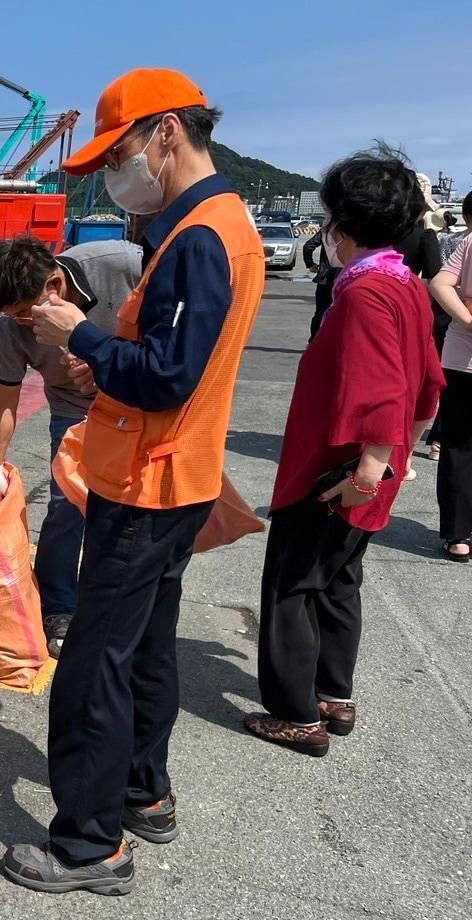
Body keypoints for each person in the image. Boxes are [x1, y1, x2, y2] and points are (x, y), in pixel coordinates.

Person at [0, 69, 264, 896]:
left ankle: (88, 843)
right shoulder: (212, 227)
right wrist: (105, 355)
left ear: (167, 135)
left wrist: (86, 336)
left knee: (94, 662)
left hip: (147, 481)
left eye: (119, 156)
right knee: (148, 643)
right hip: (177, 473)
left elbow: (166, 376)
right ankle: (146, 790)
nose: (117, 177)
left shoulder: (198, 240)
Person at [248, 148, 444, 755]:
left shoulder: (362, 295)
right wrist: (397, 455)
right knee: (338, 579)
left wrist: (369, 466)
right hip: (370, 466)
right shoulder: (405, 282)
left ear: (342, 226)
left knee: (292, 584)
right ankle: (333, 693)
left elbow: (382, 388)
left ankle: (296, 714)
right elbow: (428, 380)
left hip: (332, 468)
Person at [0, 235, 142, 656]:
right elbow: (5, 396)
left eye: (24, 315)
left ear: (54, 285)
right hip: (74, 410)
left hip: (140, 405)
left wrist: (105, 359)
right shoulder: (12, 328)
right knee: (66, 505)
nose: (22, 325)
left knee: (135, 509)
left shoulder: (123, 265)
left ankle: (123, 606)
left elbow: (171, 336)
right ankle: (60, 605)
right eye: (10, 317)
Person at [430, 195, 472, 563]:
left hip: (463, 360)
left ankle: (458, 537)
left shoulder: (470, 242)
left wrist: (467, 319)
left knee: (458, 446)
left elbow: (440, 284)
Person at [302, 227, 340, 339]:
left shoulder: (328, 231)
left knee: (321, 311)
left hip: (325, 278)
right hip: (345, 278)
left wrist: (310, 264)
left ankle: (314, 340)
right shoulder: (354, 232)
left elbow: (308, 246)